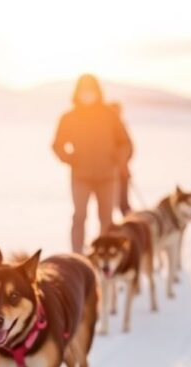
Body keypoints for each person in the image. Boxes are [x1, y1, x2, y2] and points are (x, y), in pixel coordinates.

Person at [52, 74, 133, 253]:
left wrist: (119, 160)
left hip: (107, 176)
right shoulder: (69, 117)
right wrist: (69, 158)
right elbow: (57, 144)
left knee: (106, 219)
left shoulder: (109, 115)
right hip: (81, 176)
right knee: (79, 216)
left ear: (97, 92)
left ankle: (104, 255)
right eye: (84, 91)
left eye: (91, 91)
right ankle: (77, 255)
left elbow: (125, 142)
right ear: (78, 93)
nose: (87, 95)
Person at [110, 101, 133, 215]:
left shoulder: (121, 127)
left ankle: (132, 226)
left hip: (120, 171)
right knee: (114, 204)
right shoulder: (106, 128)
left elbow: (129, 149)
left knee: (122, 204)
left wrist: (121, 162)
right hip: (110, 172)